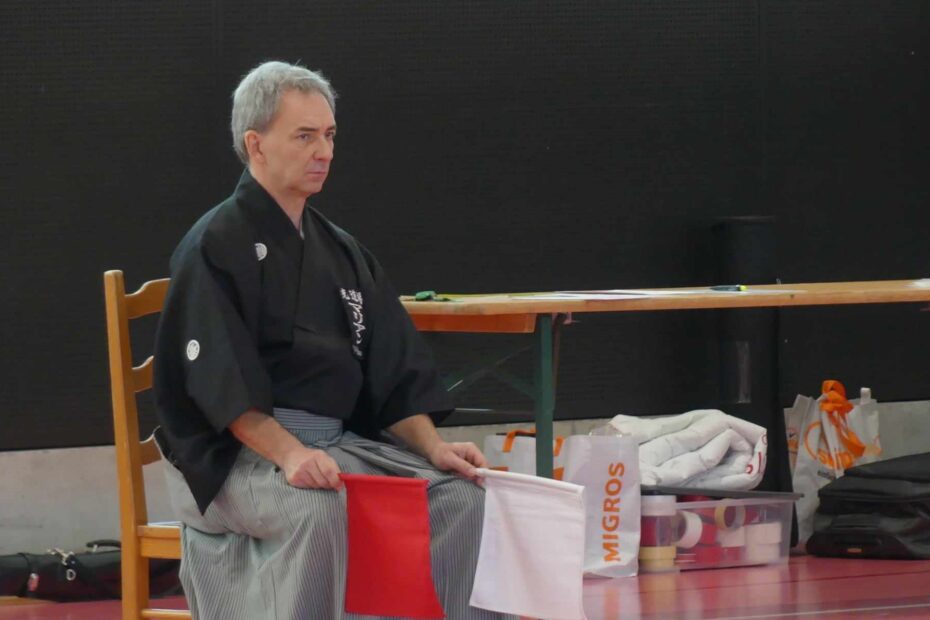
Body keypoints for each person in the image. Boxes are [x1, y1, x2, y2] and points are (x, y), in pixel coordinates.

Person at [154, 60, 510, 620]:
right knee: (318, 510)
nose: (324, 151)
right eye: (304, 136)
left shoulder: (342, 251)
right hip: (236, 458)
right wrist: (291, 454)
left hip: (332, 445)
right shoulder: (214, 245)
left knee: (461, 499)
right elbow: (221, 384)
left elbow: (393, 372)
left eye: (329, 135)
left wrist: (434, 448)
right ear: (255, 144)